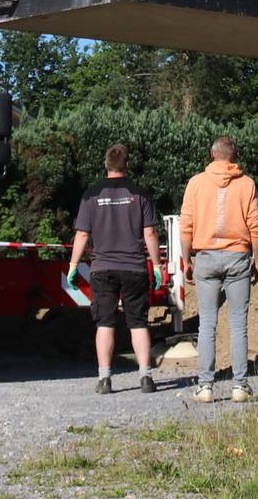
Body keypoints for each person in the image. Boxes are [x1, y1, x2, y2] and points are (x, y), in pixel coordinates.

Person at [68, 144, 164, 394]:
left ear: (105, 165)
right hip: (134, 268)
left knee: (105, 323)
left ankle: (105, 379)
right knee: (138, 322)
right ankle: (145, 377)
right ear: (127, 165)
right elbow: (150, 233)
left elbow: (81, 234)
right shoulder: (140, 193)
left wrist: (73, 265)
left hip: (102, 269)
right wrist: (157, 264)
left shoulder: (91, 194)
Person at [178, 135, 258, 403]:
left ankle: (205, 387)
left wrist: (186, 260)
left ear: (211, 154)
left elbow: (186, 225)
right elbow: (256, 226)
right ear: (235, 157)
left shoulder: (196, 183)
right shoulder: (247, 184)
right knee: (238, 323)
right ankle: (240, 386)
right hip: (238, 257)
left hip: (205, 257)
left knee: (207, 324)